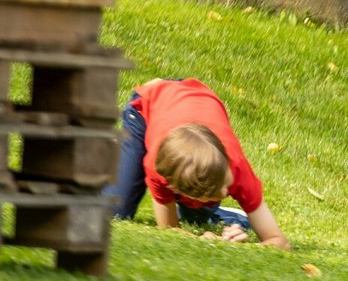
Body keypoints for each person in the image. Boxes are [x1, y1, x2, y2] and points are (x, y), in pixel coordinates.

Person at [105, 78, 290, 250]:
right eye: (214, 193)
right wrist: (202, 240)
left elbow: (279, 241)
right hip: (149, 104)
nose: (226, 193)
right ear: (175, 188)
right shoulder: (158, 170)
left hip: (197, 98)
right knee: (113, 210)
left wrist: (239, 245)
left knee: (197, 217)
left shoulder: (236, 170)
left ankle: (222, 214)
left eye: (224, 185)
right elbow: (168, 230)